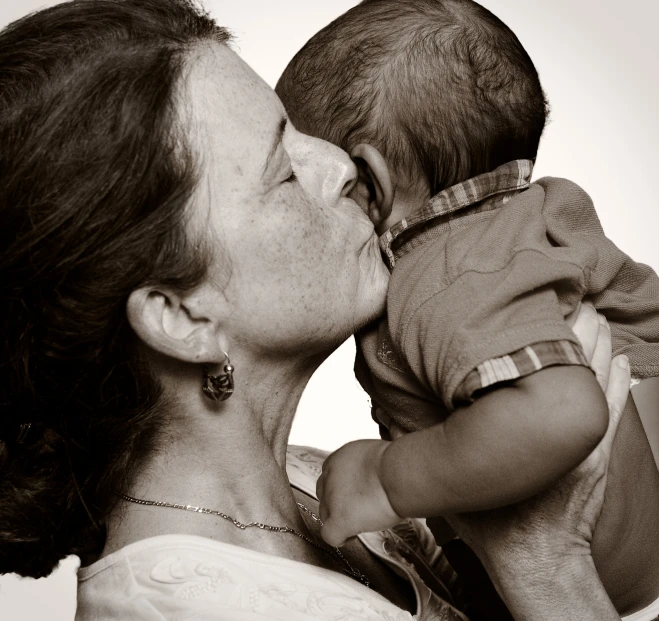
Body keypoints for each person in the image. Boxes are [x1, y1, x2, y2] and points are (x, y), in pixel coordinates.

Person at [0, 1, 630, 619]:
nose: (336, 165)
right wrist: (548, 569)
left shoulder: (326, 480)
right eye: (284, 171)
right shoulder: (178, 609)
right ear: (180, 316)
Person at [275, 0, 659, 617]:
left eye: (293, 172)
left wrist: (385, 477)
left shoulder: (449, 272)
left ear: (367, 182)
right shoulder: (530, 222)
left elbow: (561, 411)